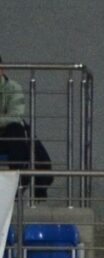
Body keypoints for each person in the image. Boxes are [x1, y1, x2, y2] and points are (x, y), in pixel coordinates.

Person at [0, 56, 53, 198]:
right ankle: (21, 181)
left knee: (16, 130)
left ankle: (19, 182)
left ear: (2, 70)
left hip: (7, 136)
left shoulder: (12, 87)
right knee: (20, 134)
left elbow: (15, 116)